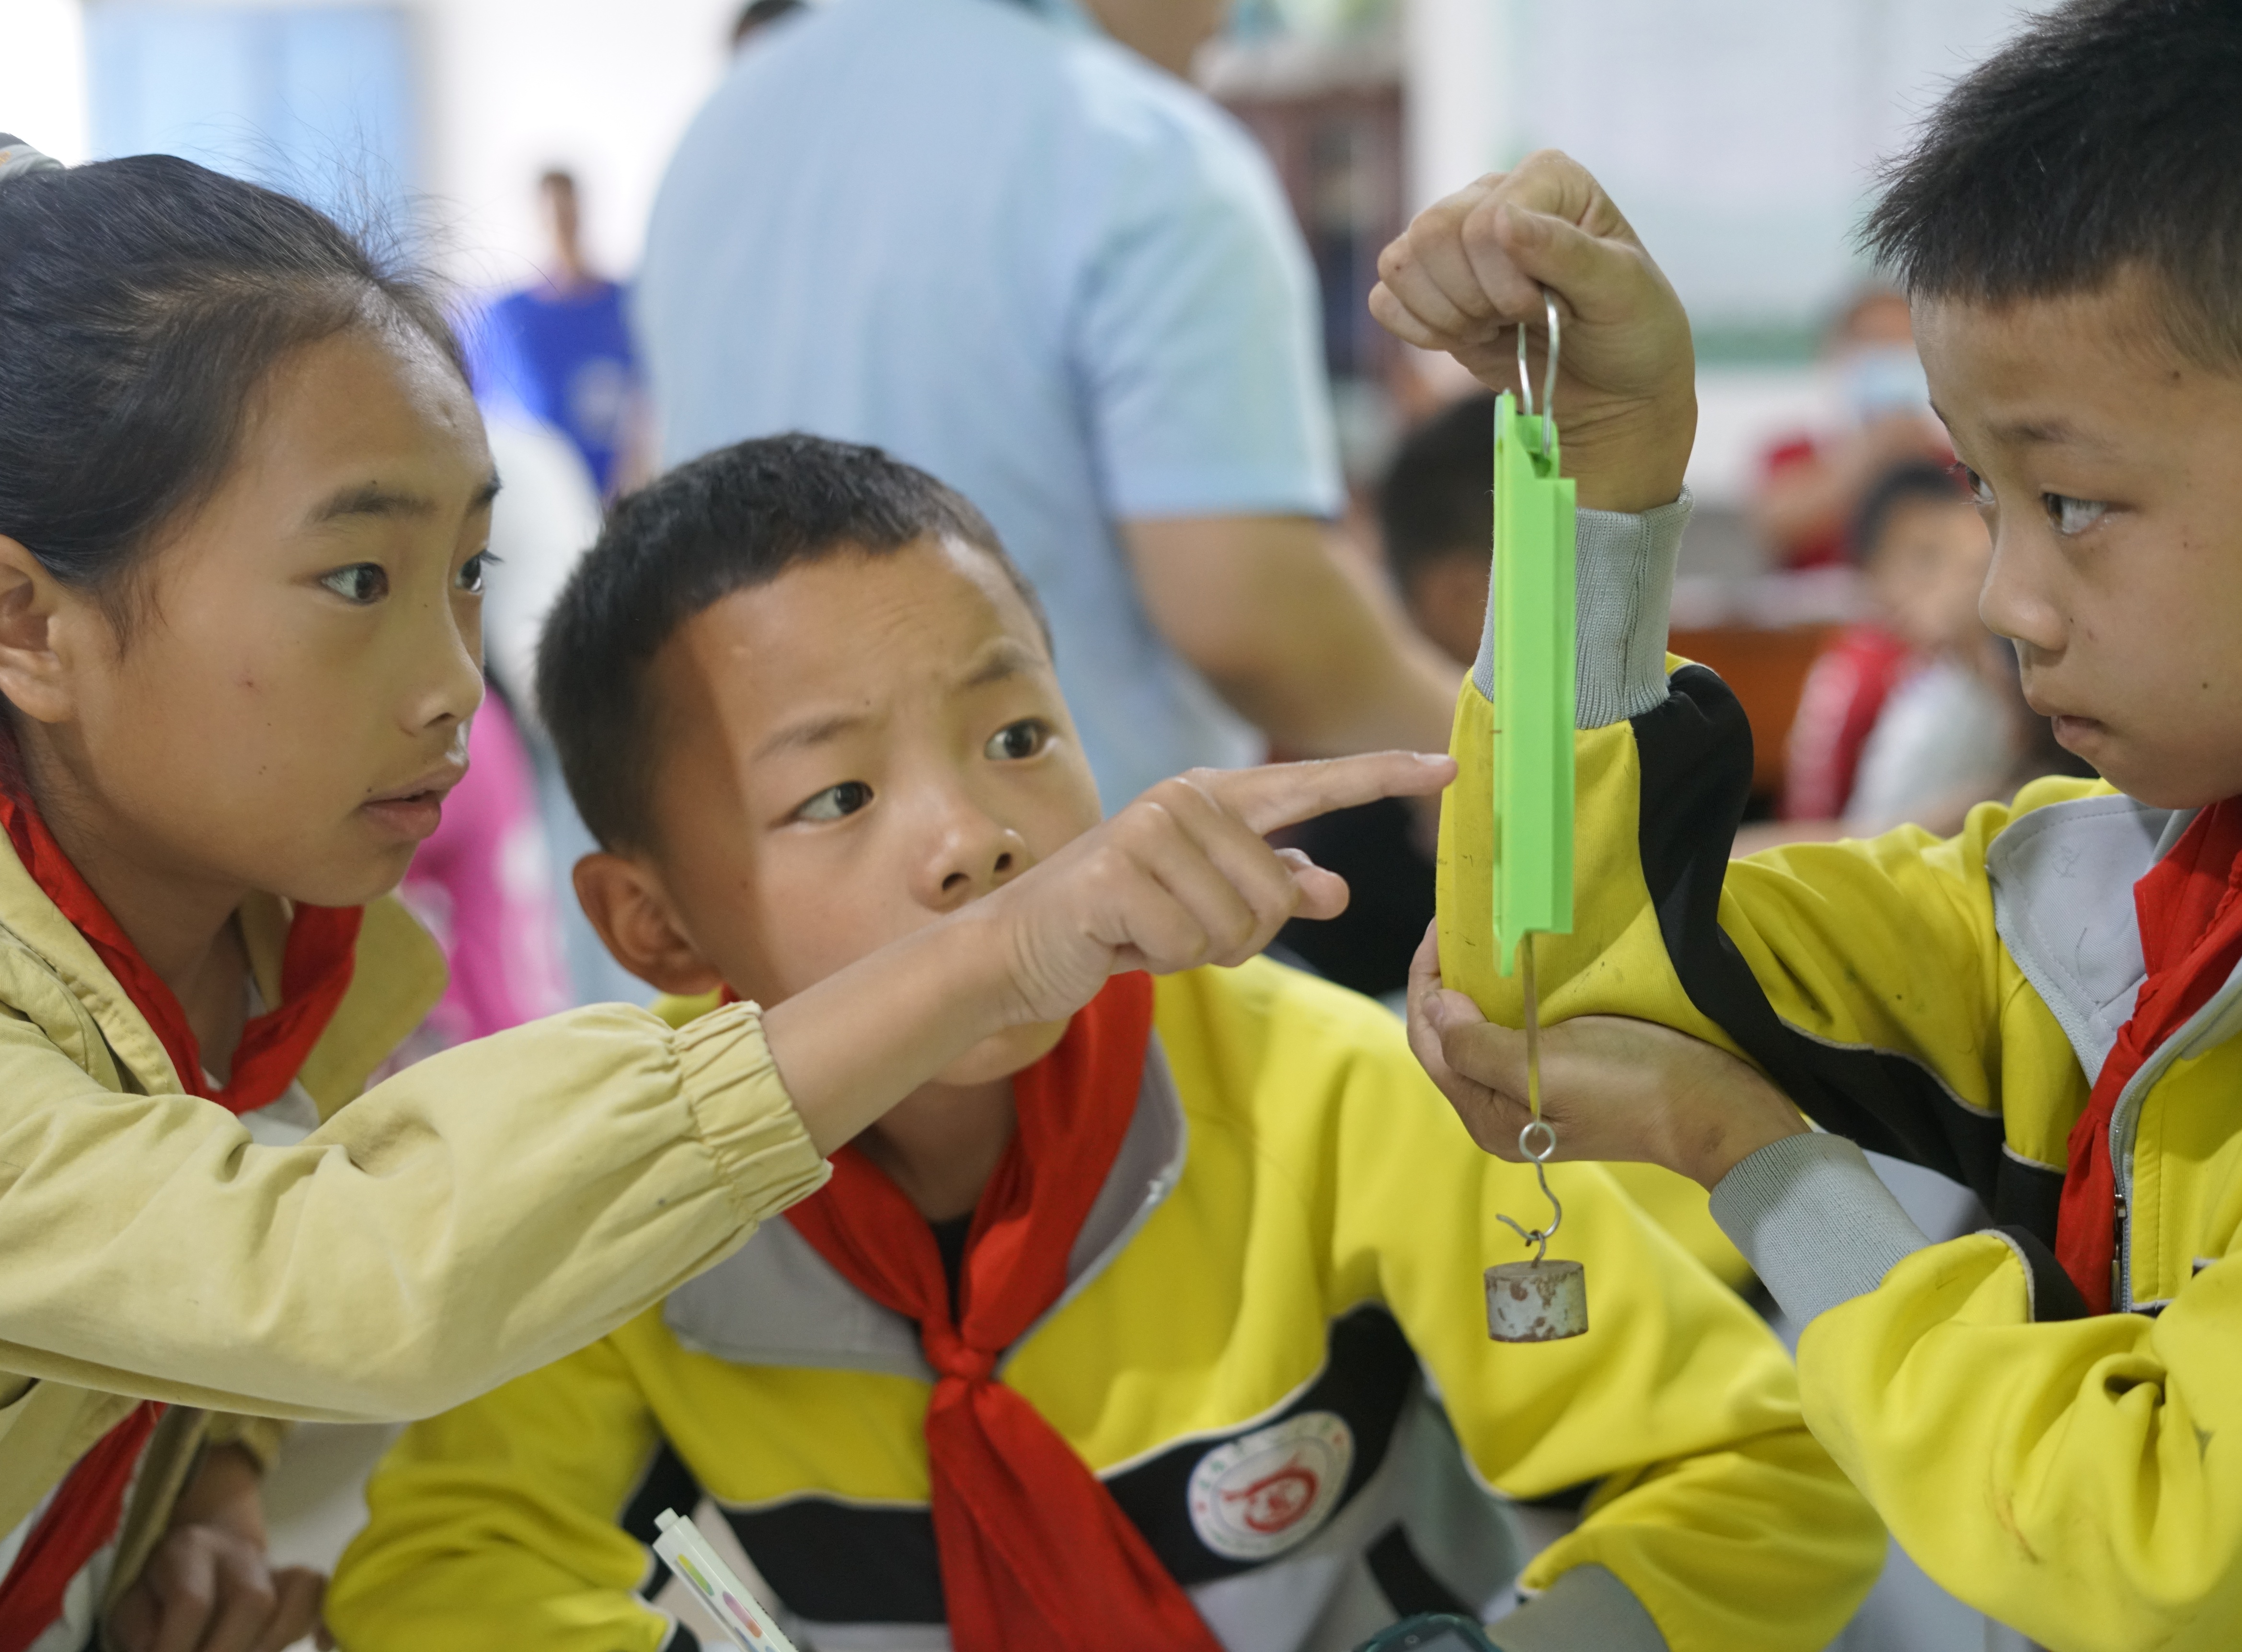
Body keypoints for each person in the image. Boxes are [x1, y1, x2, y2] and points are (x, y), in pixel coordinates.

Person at [0, 146, 1438, 1652]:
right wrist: (996, 958)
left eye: (469, 571)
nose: (446, 686)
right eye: (358, 578)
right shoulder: (592, 1185)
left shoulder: (292, 965)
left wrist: (203, 1478)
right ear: (31, 623)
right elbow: (343, 1276)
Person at [325, 435, 1882, 1652]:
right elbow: (454, 1564)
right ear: (653, 923)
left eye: (1017, 738)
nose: (970, 839)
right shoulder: (628, 1179)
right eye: (837, 795)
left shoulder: (1323, 1092)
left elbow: (1757, 1473)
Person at [1377, 0, 2242, 1642]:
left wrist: (1759, 1162)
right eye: (1979, 496)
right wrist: (1596, 466)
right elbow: (1543, 977)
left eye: (2070, 502)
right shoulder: (2087, 892)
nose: (2002, 595)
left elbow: (2154, 1532)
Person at [635, 0, 1458, 812]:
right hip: (1067, 894)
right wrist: (1479, 759)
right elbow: (1245, 610)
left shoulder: (723, 126)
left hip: (778, 887)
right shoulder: (1136, 152)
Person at [1777, 459, 2003, 830]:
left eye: (1960, 559)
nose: (1947, 579)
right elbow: (1816, 813)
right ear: (1871, 574)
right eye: (1924, 558)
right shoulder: (1860, 668)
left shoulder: (1961, 652)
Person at [470, 170, 644, 499]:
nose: (562, 225)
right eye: (552, 215)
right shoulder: (507, 317)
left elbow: (647, 401)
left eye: (568, 212)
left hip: (619, 492)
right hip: (541, 498)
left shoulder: (625, 306)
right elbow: (483, 412)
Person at [1750, 286, 1950, 569]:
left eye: (1906, 344)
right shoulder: (1794, 451)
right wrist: (1869, 453)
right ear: (1839, 353)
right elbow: (1779, 530)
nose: (1893, 358)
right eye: (1878, 343)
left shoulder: (1953, 459)